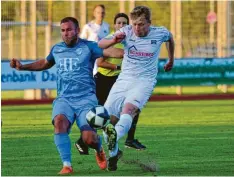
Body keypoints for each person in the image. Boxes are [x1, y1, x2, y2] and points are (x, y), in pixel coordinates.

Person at [10, 17, 123, 175]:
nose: (66, 33)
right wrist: (22, 67)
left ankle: (98, 149)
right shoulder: (57, 49)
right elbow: (45, 63)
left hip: (86, 99)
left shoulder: (89, 47)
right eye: (63, 30)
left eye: (69, 29)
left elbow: (108, 51)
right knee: (59, 122)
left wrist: (127, 53)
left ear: (77, 30)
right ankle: (67, 165)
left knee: (89, 138)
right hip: (64, 99)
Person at [98, 6, 175, 171]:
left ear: (149, 23)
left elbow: (170, 38)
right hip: (123, 80)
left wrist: (171, 59)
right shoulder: (126, 31)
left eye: (141, 24)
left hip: (144, 81)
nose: (137, 28)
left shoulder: (160, 32)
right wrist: (114, 40)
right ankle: (114, 153)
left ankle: (115, 138)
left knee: (129, 110)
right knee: (106, 121)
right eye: (134, 24)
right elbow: (101, 43)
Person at [75, 13, 145, 156]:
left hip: (118, 80)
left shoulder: (131, 40)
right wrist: (118, 68)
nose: (121, 25)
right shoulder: (109, 40)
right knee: (102, 115)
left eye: (124, 23)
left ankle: (130, 139)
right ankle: (82, 141)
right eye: (119, 23)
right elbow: (100, 63)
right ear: (114, 25)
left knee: (134, 107)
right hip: (103, 80)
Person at [80, 4, 110, 75]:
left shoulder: (107, 26)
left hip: (103, 56)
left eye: (102, 13)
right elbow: (81, 42)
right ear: (94, 13)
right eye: (98, 12)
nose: (100, 15)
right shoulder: (88, 27)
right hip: (91, 56)